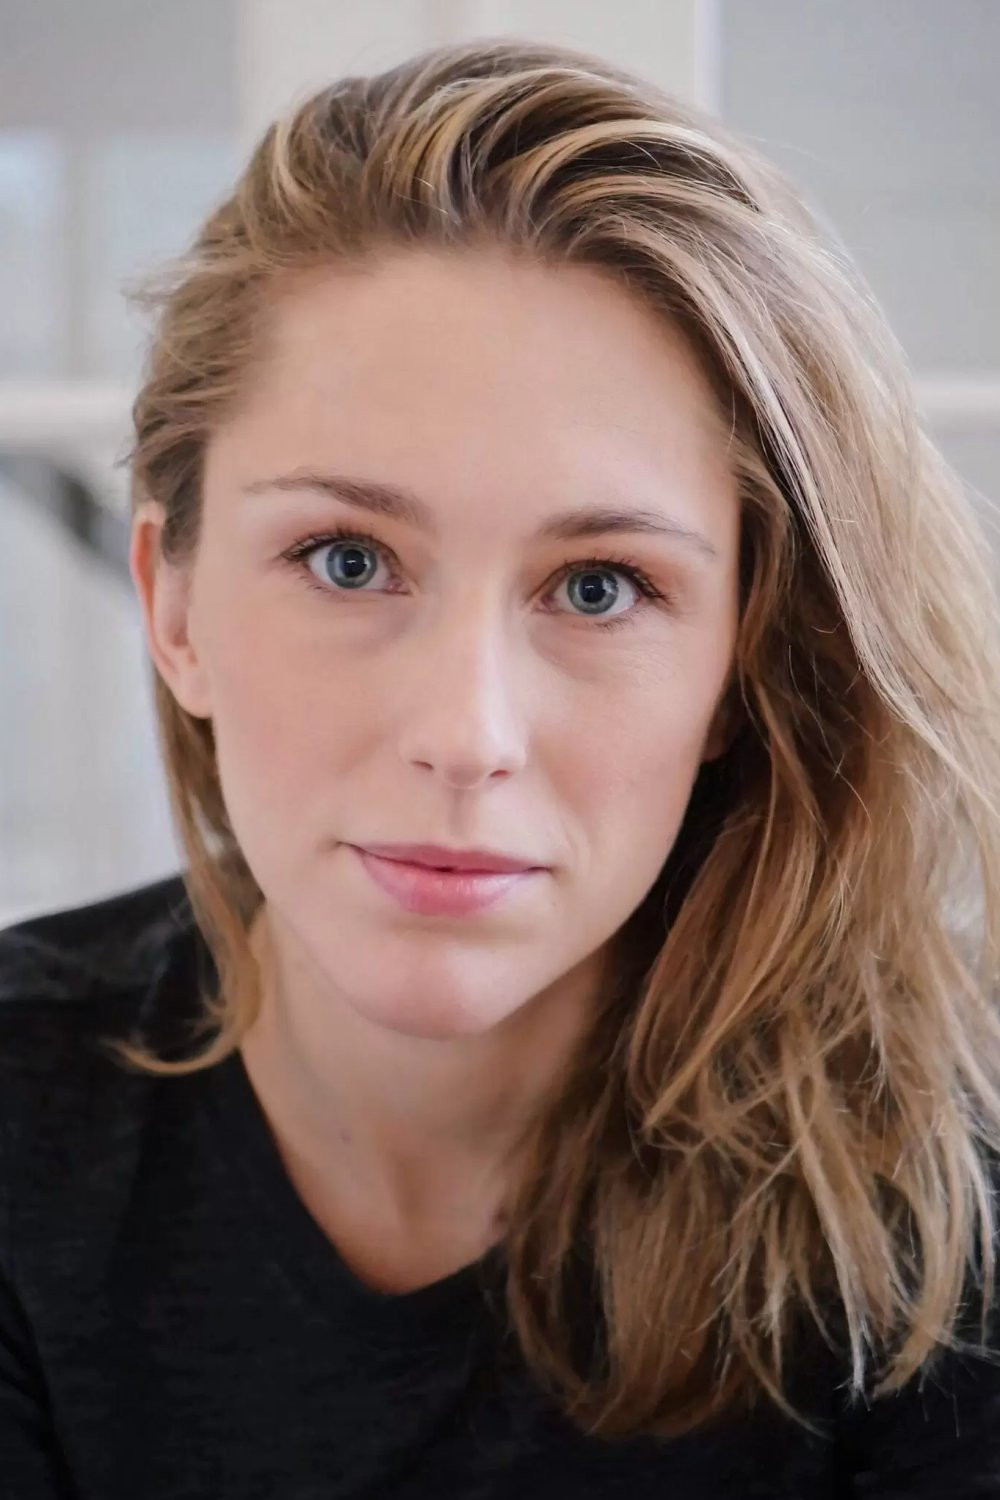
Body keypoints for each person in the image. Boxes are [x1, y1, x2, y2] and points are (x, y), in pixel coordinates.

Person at [2, 36, 999, 1499]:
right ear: (175, 609)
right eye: (347, 561)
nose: (467, 735)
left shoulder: (951, 1200)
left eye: (599, 587)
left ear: (742, 663)